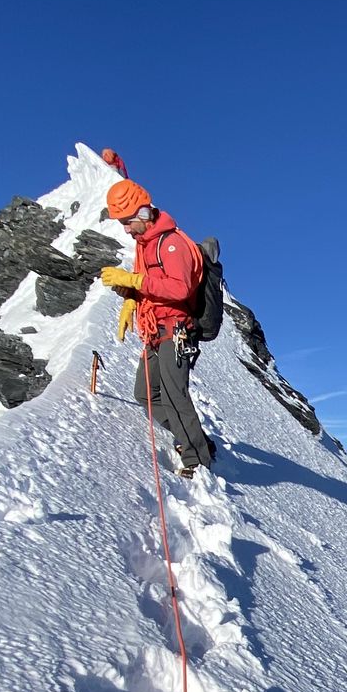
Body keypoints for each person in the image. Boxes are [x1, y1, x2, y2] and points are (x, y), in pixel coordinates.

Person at [99, 180, 216, 477]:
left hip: (176, 328)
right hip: (155, 329)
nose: (125, 228)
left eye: (127, 221)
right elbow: (148, 285)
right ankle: (193, 439)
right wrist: (130, 301)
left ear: (142, 213)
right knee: (145, 394)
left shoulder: (171, 243)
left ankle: (197, 460)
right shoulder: (146, 245)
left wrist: (133, 281)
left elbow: (180, 289)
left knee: (175, 394)